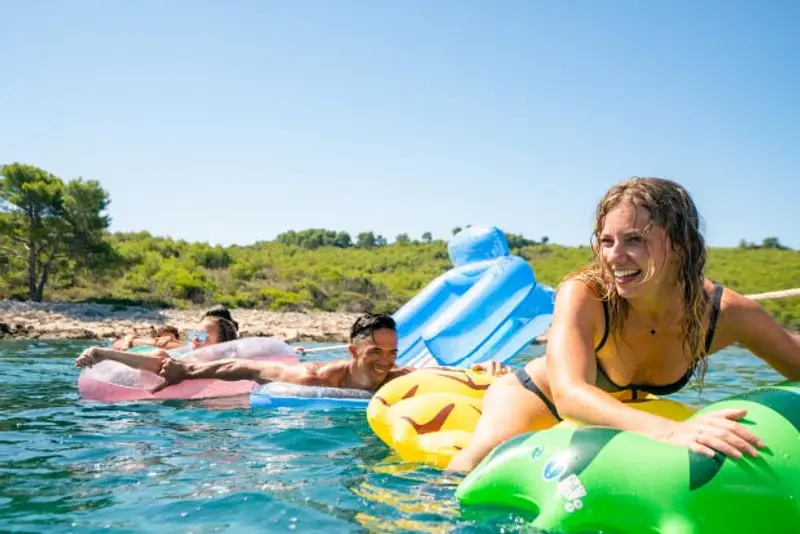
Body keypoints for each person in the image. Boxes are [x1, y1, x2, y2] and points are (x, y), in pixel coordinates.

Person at [447, 177, 800, 473]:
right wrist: (669, 432)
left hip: (628, 407)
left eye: (634, 239)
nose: (614, 257)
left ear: (679, 245)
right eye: (606, 241)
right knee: (475, 462)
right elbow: (569, 395)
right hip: (539, 398)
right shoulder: (586, 294)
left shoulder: (722, 313)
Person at [75, 312, 511, 393]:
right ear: (353, 350)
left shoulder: (398, 374)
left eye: (392, 351)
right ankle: (103, 353)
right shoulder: (316, 378)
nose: (386, 359)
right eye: (376, 351)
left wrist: (488, 369)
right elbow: (240, 364)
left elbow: (447, 374)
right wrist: (185, 373)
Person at [111, 325, 182, 351]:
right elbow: (130, 336)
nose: (164, 337)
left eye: (168, 335)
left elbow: (181, 346)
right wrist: (126, 344)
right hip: (128, 347)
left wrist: (169, 338)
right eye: (162, 335)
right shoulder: (152, 340)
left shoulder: (177, 345)